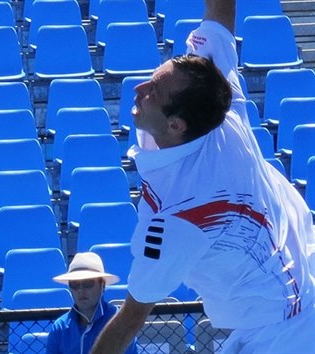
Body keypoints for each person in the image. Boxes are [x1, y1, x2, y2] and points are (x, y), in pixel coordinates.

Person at [91, 1, 315, 353]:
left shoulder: (178, 219)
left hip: (283, 332)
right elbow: (221, 12)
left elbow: (131, 319)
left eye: (154, 91)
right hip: (296, 278)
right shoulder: (215, 94)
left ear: (175, 125)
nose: (139, 88)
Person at [46, 252, 138, 354]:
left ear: (102, 285)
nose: (81, 290)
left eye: (88, 283)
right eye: (74, 285)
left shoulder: (120, 322)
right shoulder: (60, 327)